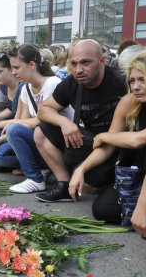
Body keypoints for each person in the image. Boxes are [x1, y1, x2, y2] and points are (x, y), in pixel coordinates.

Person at [61, 51, 146, 239]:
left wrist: (104, 136)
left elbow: (138, 140)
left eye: (143, 80)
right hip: (140, 172)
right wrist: (81, 169)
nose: (135, 87)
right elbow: (108, 145)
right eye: (132, 81)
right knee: (103, 209)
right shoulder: (130, 102)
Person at [34, 39, 127, 202]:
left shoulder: (122, 81)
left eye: (86, 63)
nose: (79, 70)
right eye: (74, 63)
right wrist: (65, 122)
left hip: (121, 145)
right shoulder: (71, 83)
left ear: (103, 61)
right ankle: (64, 184)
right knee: (41, 130)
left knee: (91, 186)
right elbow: (43, 110)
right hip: (93, 142)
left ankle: (108, 181)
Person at [0, 45, 71, 193]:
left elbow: (42, 121)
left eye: (16, 67)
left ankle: (35, 178)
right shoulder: (26, 89)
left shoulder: (52, 83)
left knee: (9, 137)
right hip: (42, 141)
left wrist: (12, 123)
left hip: (60, 143)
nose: (13, 72)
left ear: (32, 65)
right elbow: (23, 123)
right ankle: (43, 170)